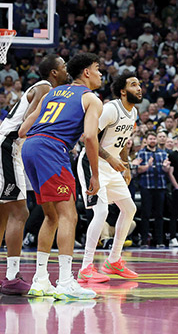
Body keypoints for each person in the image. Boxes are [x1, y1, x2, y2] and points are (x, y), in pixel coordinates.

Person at [19, 53, 103, 300]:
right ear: (86, 72)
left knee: (51, 216)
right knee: (69, 215)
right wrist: (95, 175)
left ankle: (40, 280)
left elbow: (24, 129)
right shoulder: (91, 99)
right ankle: (65, 282)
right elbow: (90, 137)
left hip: (31, 147)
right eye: (97, 68)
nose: (100, 73)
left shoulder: (52, 93)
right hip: (52, 150)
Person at [0, 55, 66, 295]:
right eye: (63, 66)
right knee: (20, 212)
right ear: (54, 72)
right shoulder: (45, 87)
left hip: (1, 145)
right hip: (7, 147)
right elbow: (30, 120)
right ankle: (11, 277)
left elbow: (10, 124)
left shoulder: (41, 88)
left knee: (2, 215)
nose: (66, 69)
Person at [76, 72, 142, 283]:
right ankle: (86, 267)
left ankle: (113, 260)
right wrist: (110, 159)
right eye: (133, 85)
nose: (139, 88)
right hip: (92, 163)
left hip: (111, 167)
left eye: (139, 85)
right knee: (101, 211)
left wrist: (126, 166)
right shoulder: (111, 109)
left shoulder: (133, 112)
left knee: (129, 208)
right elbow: (88, 137)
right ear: (123, 91)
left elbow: (123, 141)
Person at [136, 131, 171, 248]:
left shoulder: (163, 153)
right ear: (146, 141)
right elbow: (138, 170)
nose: (152, 141)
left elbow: (166, 170)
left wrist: (166, 167)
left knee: (159, 215)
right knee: (145, 214)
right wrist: (148, 165)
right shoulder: (141, 153)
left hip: (160, 186)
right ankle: (144, 240)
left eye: (154, 139)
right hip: (146, 187)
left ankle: (159, 241)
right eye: (150, 139)